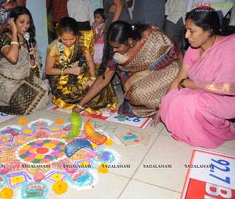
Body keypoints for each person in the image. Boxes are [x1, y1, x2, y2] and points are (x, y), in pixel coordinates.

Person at [160, 8, 235, 148]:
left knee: (191, 101)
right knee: (173, 99)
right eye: (186, 30)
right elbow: (179, 78)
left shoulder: (230, 46)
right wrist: (163, 104)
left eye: (192, 31)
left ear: (209, 31)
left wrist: (192, 84)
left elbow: (229, 87)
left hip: (226, 98)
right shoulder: (193, 49)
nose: (187, 36)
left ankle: (215, 132)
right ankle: (190, 130)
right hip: (200, 93)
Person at [73, 21, 180, 117]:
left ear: (130, 41)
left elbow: (176, 53)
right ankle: (160, 107)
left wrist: (187, 76)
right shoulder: (116, 55)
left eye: (117, 47)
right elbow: (103, 79)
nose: (114, 50)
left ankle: (171, 104)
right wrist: (80, 105)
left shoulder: (151, 38)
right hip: (141, 80)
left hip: (165, 72)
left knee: (176, 72)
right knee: (136, 95)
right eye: (112, 47)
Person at [45, 16, 117, 112]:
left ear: (77, 35)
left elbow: (90, 61)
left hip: (80, 72)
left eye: (72, 39)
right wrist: (70, 70)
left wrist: (92, 78)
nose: (68, 42)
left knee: (101, 82)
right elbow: (48, 70)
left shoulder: (81, 42)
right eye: (64, 39)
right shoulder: (54, 47)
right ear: (58, 36)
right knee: (80, 92)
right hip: (62, 79)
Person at [0, 6, 48, 115]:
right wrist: (13, 32)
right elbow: (13, 59)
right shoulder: (4, 38)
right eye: (21, 22)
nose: (25, 26)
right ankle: (4, 99)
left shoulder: (30, 40)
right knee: (24, 105)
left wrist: (32, 61)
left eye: (28, 22)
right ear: (13, 22)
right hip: (8, 81)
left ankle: (18, 98)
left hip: (25, 79)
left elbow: (35, 74)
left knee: (44, 89)